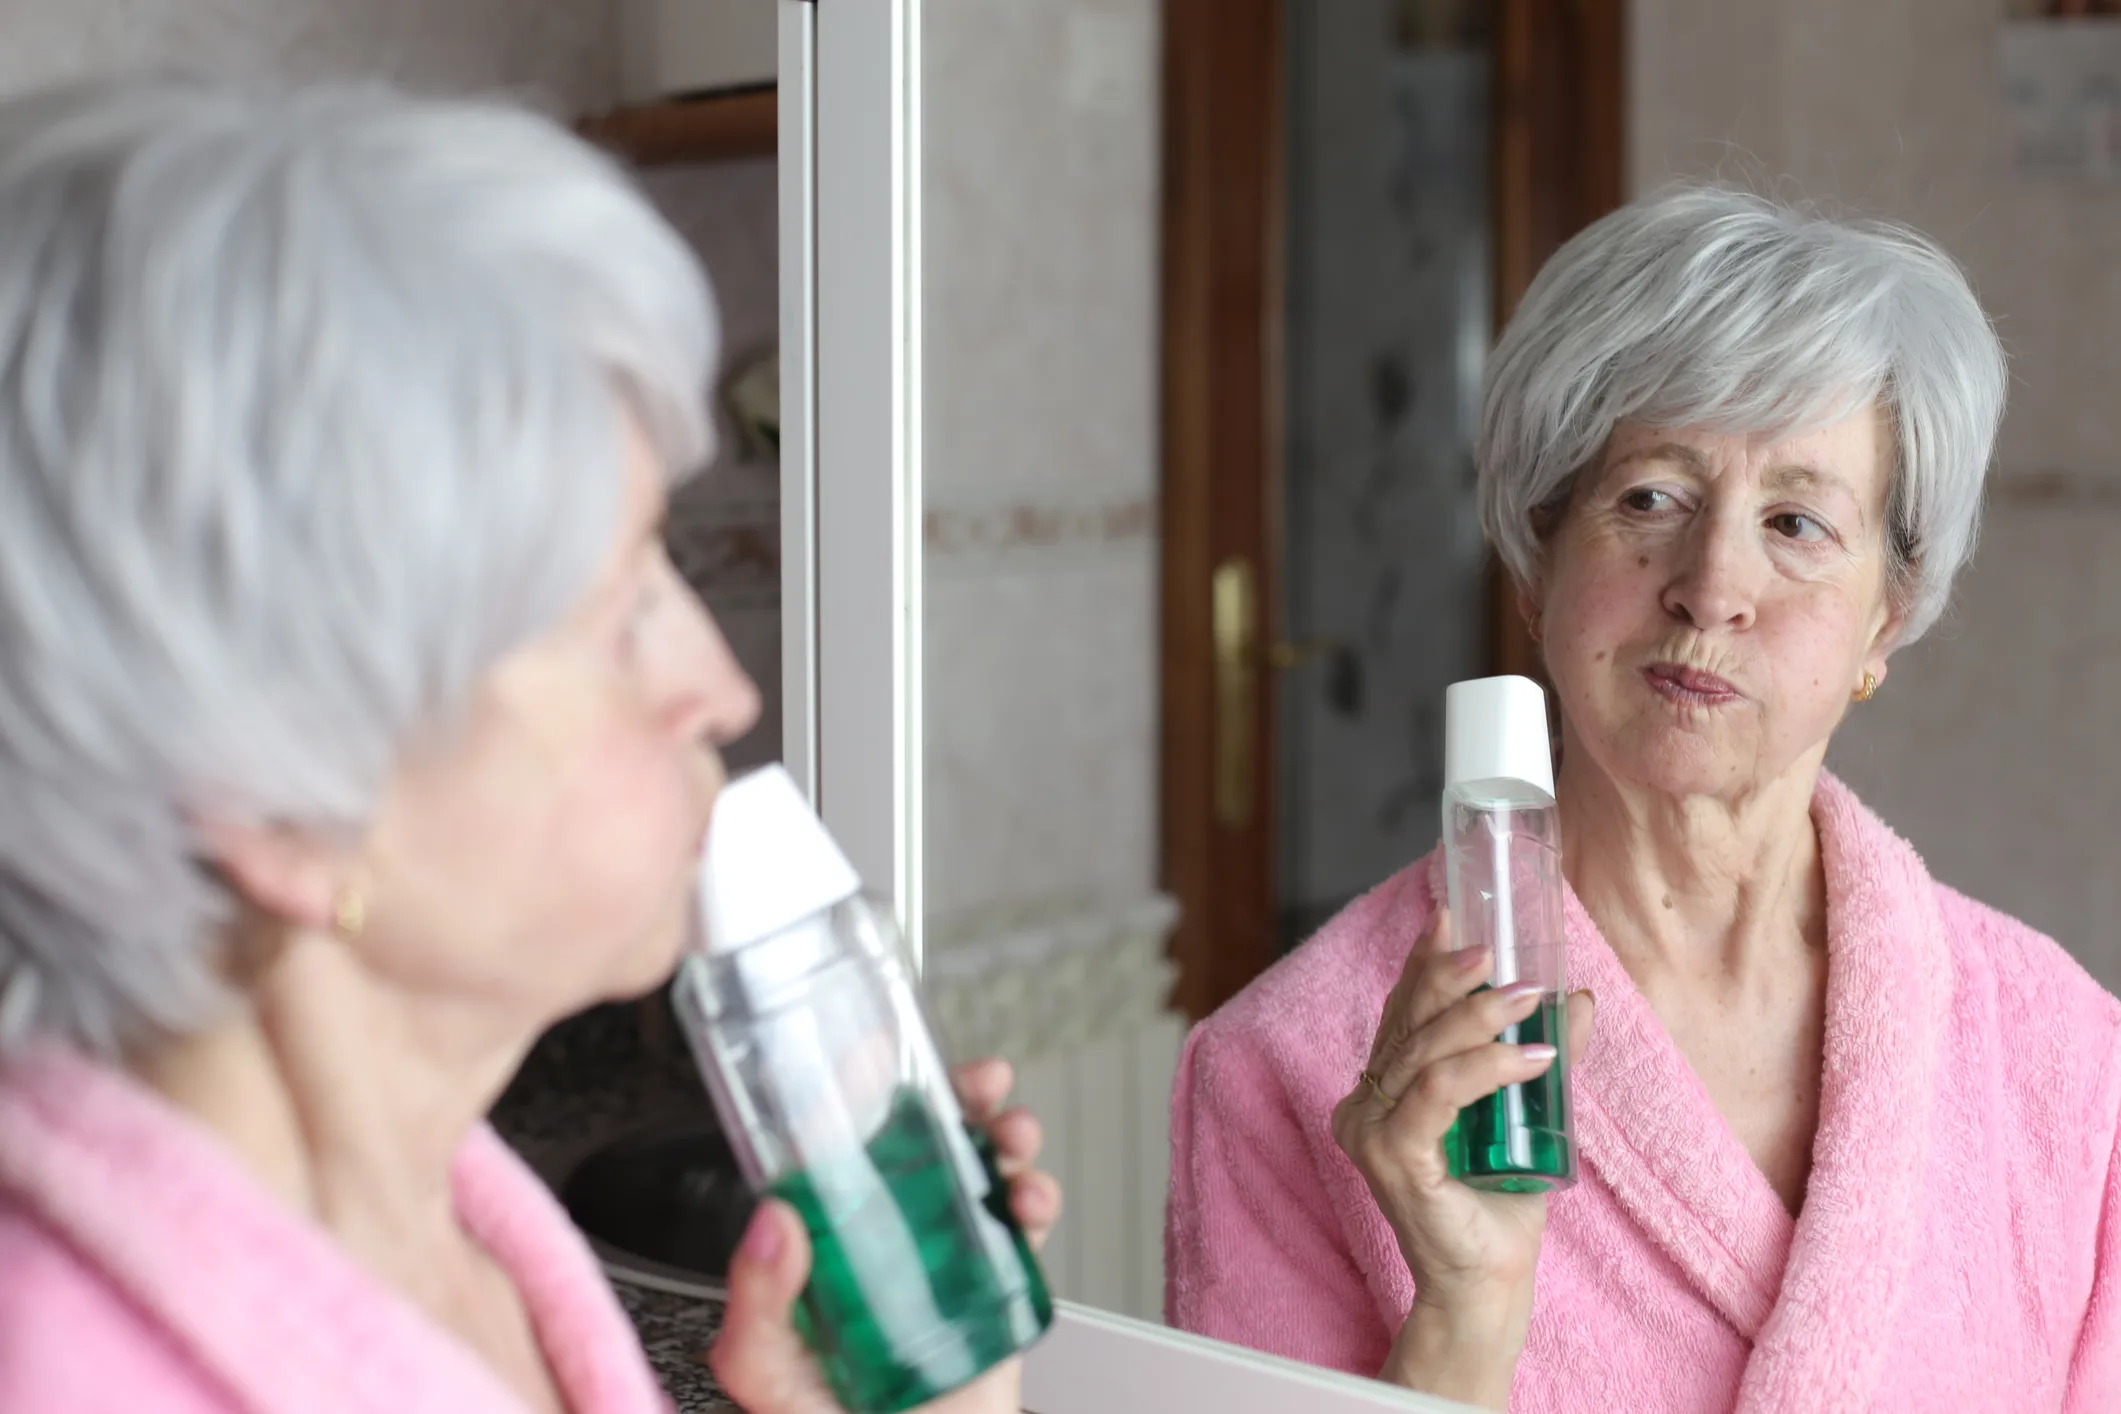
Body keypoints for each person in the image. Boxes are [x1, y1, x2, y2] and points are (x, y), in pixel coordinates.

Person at [0, 78, 1057, 1414]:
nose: (724, 691)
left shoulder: (459, 1243)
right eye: (620, 613)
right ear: (281, 806)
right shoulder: (62, 1370)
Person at [1166, 186, 2121, 1412]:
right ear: (1538, 561)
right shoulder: (1283, 1066)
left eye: (1796, 522)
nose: (1712, 585)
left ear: (1884, 619)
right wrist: (1462, 1318)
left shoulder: (2063, 1058)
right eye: (1650, 499)